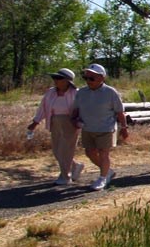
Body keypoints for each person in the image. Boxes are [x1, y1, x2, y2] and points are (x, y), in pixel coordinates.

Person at [71, 63, 128, 191]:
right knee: (90, 152)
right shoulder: (82, 92)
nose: (88, 81)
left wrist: (124, 128)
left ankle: (102, 178)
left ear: (102, 78)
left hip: (106, 128)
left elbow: (120, 112)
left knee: (103, 152)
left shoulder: (110, 92)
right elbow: (76, 109)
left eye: (92, 78)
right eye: (86, 78)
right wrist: (74, 119)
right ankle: (108, 171)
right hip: (88, 128)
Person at [27, 68, 84, 185]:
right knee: (57, 150)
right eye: (54, 78)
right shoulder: (50, 92)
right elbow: (43, 108)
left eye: (58, 78)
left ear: (67, 81)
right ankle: (75, 166)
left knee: (66, 150)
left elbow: (82, 110)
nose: (55, 80)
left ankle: (65, 177)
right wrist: (35, 122)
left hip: (70, 123)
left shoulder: (76, 93)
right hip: (54, 121)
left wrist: (81, 122)